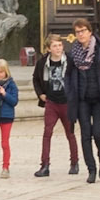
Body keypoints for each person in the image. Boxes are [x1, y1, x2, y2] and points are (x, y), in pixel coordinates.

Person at [65, 18, 100, 184]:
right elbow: (67, 74)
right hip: (81, 99)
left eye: (83, 31)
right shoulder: (72, 52)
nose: (80, 34)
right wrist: (69, 91)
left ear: (90, 31)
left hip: (99, 98)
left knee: (98, 133)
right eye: (77, 32)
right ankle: (91, 169)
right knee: (85, 135)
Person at [32, 34, 79, 177]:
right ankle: (45, 165)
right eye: (54, 46)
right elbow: (35, 79)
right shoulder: (42, 63)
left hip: (66, 102)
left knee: (70, 133)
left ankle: (74, 162)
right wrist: (40, 94)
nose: (58, 48)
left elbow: (77, 78)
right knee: (47, 133)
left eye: (60, 45)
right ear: (48, 48)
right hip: (51, 102)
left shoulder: (70, 61)